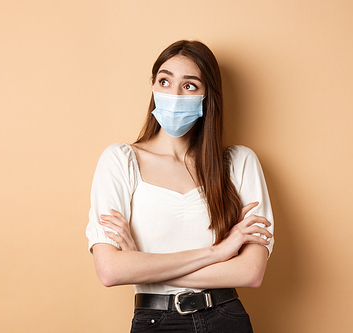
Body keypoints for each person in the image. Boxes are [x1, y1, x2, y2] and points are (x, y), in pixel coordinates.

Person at [86, 40, 274, 333]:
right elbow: (110, 271)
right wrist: (218, 252)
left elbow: (250, 272)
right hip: (155, 322)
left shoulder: (239, 163)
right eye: (164, 80)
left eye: (189, 86)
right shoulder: (120, 160)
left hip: (226, 318)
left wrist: (142, 265)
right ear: (153, 87)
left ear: (207, 95)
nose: (173, 94)